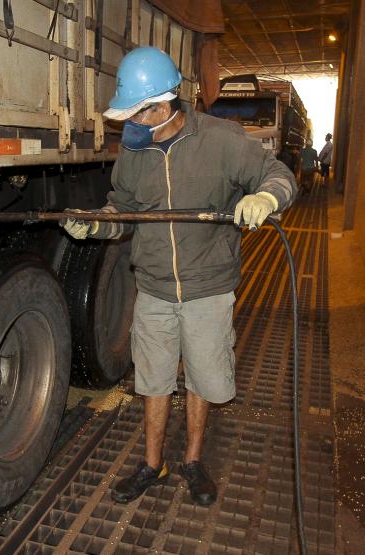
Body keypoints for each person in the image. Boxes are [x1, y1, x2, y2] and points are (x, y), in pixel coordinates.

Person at [62, 47, 296, 506]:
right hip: (153, 289)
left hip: (209, 288)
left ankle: (192, 460)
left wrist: (266, 199)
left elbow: (278, 174)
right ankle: (153, 463)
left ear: (162, 104)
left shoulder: (223, 140)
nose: (130, 122)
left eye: (136, 112)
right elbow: (124, 212)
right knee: (152, 379)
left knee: (204, 379)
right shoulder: (134, 152)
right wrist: (94, 224)